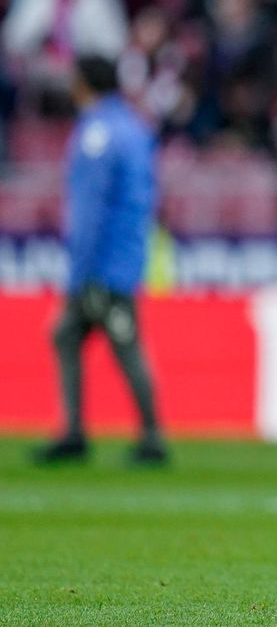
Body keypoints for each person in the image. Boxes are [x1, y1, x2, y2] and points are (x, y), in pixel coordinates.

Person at [34, 56, 165, 466]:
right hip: (123, 255)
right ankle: (74, 431)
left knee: (124, 345)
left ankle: (151, 438)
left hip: (103, 265)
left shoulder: (97, 133)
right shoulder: (132, 126)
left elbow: (89, 209)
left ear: (82, 84)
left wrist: (81, 269)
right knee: (66, 335)